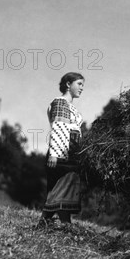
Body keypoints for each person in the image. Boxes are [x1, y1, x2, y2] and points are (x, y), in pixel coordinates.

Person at [36, 72, 85, 227]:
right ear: (68, 84)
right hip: (62, 152)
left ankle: (46, 221)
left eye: (83, 85)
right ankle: (65, 223)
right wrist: (55, 154)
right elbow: (59, 127)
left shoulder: (71, 106)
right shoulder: (60, 102)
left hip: (71, 152)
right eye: (79, 84)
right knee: (60, 185)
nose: (82, 88)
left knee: (62, 186)